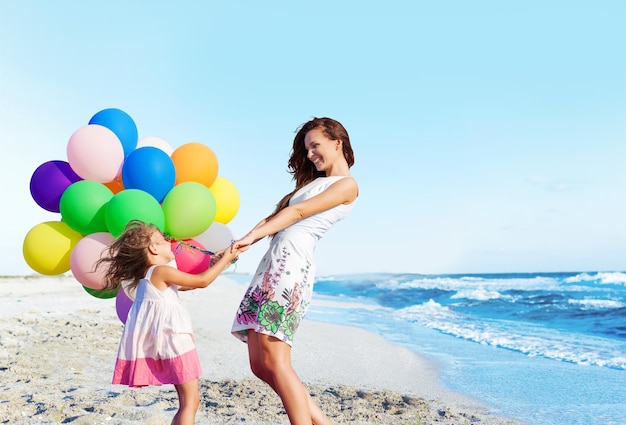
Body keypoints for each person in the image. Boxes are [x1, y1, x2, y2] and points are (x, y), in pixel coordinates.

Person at [230, 117, 358, 425]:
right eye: (308, 149)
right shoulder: (312, 184)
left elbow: (297, 212)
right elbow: (275, 216)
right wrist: (240, 243)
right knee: (260, 365)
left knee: (277, 360)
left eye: (316, 145)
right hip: (273, 263)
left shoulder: (347, 185)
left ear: (337, 142)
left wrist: (253, 238)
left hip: (291, 268)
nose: (311, 154)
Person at [96, 220, 239, 425]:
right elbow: (202, 282)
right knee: (191, 402)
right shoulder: (160, 271)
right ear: (153, 248)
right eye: (163, 239)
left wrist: (215, 264)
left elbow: (190, 285)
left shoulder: (148, 276)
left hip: (168, 343)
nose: (169, 241)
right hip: (176, 342)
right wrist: (227, 258)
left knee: (186, 402)